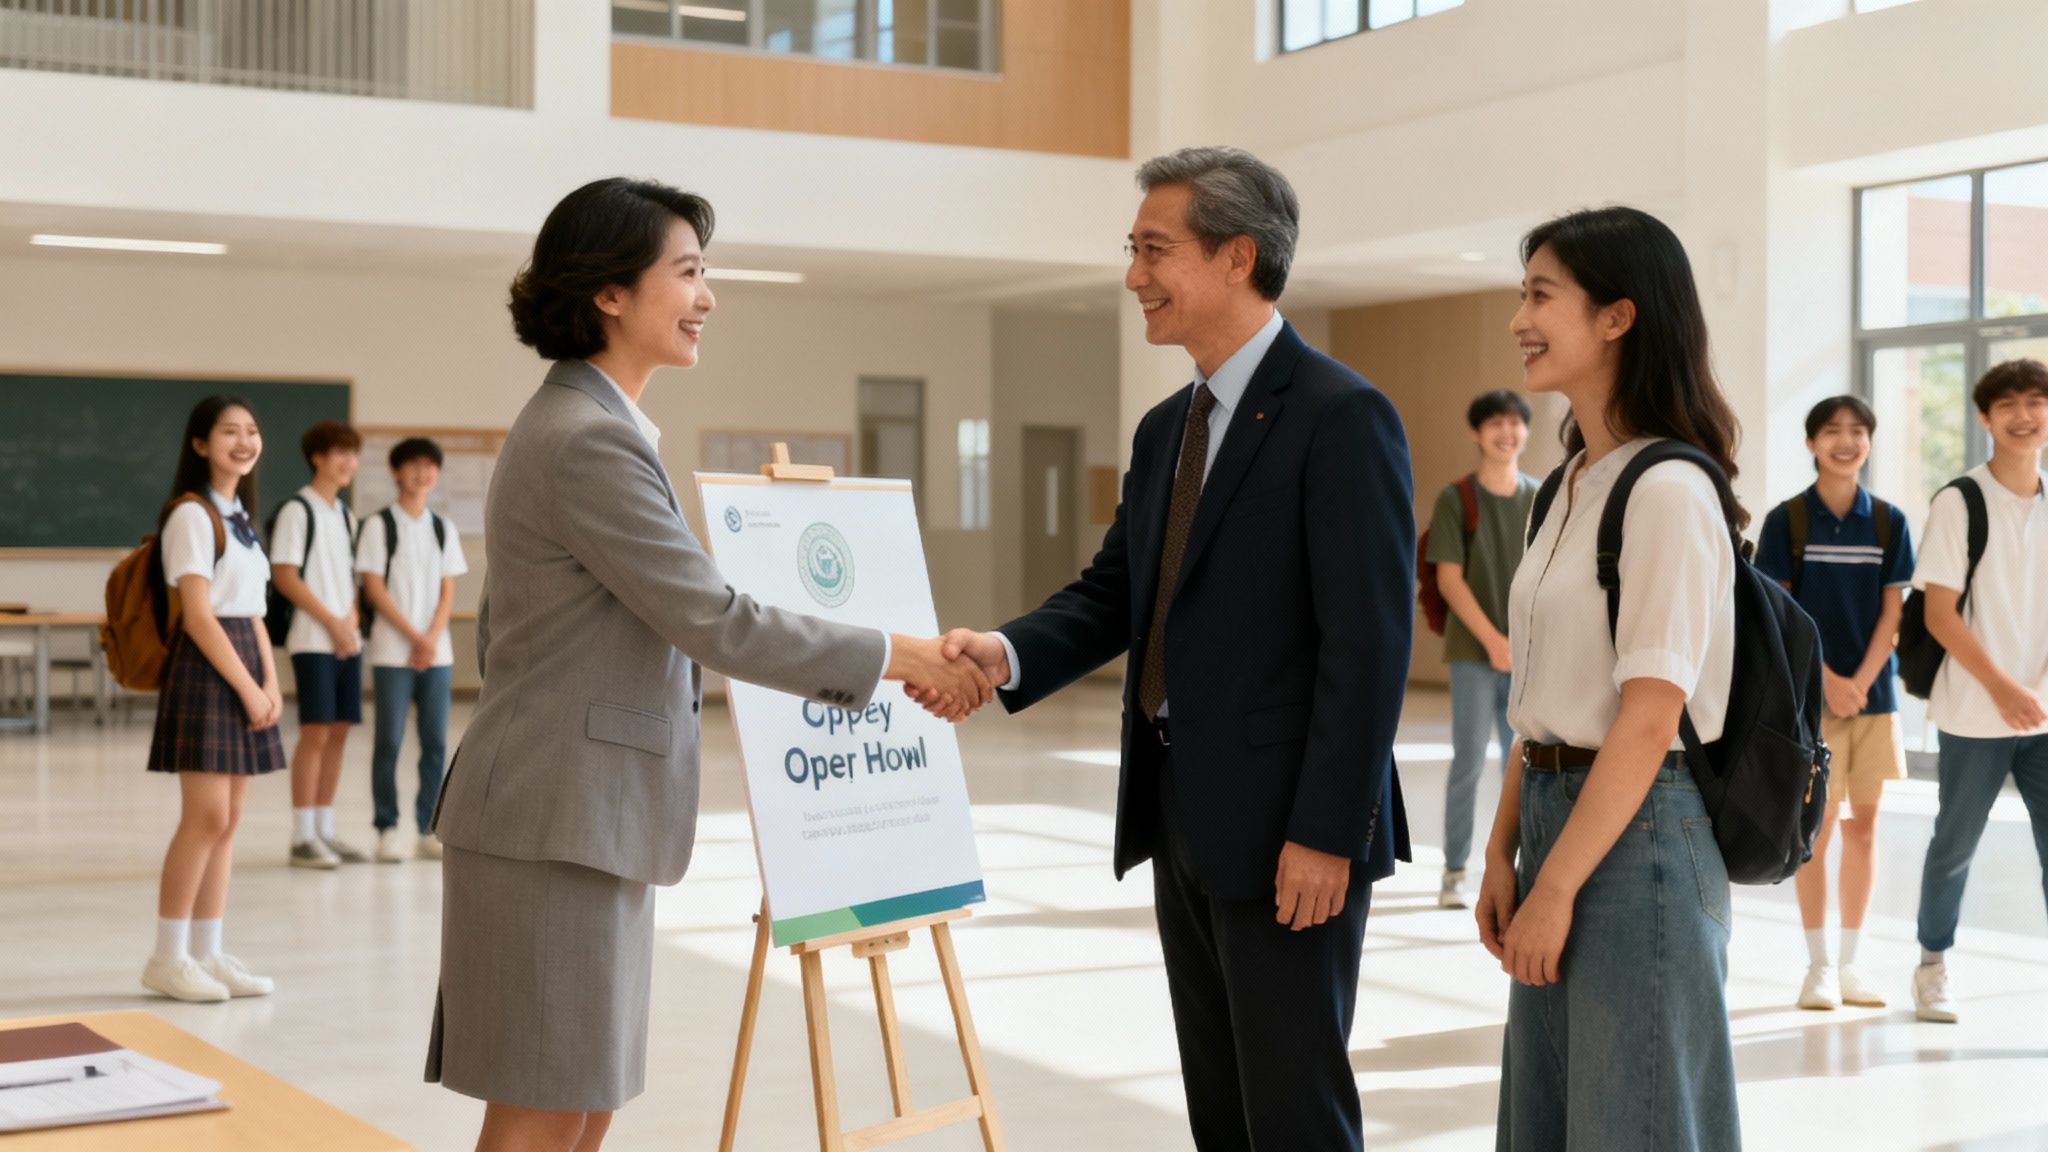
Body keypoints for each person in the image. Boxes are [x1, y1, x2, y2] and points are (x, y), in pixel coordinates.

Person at [424, 177, 991, 1152]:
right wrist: (905, 657)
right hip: (551, 816)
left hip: (584, 815)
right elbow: (714, 620)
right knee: (541, 1105)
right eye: (686, 272)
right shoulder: (584, 440)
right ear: (610, 291)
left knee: (580, 1097)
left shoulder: (595, 427)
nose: (706, 297)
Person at [932, 147, 1414, 1152]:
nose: (1131, 276)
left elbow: (1366, 644)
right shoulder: (1167, 430)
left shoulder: (1341, 415)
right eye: (1132, 249)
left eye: (1154, 250)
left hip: (1293, 833)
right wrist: (1002, 652)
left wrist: (1327, 831)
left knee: (1293, 1113)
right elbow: (1117, 595)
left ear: (1236, 257)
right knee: (1221, 1110)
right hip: (1183, 814)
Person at [1477, 206, 1742, 1149]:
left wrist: (1555, 888)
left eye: (1542, 295)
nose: (1520, 318)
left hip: (1641, 837)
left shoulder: (1670, 490)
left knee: (1638, 1121)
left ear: (1619, 317)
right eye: (1522, 295)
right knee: (1553, 1124)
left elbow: (1647, 716)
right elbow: (1538, 699)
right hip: (1560, 817)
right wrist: (1505, 851)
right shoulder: (1569, 483)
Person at [1753, 395, 1913, 1011]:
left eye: (1857, 431)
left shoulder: (1889, 523)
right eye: (1831, 431)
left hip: (1873, 702)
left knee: (1865, 831)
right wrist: (1828, 683)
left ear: (1870, 440)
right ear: (1811, 443)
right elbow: (1779, 616)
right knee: (1814, 832)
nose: (1845, 441)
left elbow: (1893, 612)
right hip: (1809, 705)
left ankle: (1851, 963)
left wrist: (1860, 681)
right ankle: (1817, 966)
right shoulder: (1787, 521)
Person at [1910, 356, 2048, 1024]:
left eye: (2036, 402)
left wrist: (2034, 692)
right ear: (1984, 417)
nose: (2025, 416)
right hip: (1974, 710)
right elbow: (1939, 614)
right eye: (2010, 405)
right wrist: (2003, 689)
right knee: (1956, 843)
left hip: (2044, 714)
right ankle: (1933, 964)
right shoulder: (1959, 501)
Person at [144, 396, 287, 1002]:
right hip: (209, 668)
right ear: (200, 444)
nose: (244, 441)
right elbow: (200, 618)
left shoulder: (241, 519)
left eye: (251, 431)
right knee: (204, 818)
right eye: (229, 432)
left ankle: (207, 950)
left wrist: (272, 681)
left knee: (227, 822)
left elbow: (253, 612)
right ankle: (167, 956)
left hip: (245, 662)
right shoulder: (192, 516)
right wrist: (250, 685)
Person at [1430, 389, 1537, 909]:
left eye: (1516, 422)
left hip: (1530, 656)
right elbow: (1448, 580)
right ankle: (1454, 869)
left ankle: (1521, 869)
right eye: (1495, 422)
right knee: (1469, 761)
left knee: (1525, 767)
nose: (1507, 432)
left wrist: (1521, 643)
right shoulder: (1457, 499)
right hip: (1474, 654)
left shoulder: (1540, 497)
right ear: (1477, 432)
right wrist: (1495, 641)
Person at [355, 436, 467, 863]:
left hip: (436, 655)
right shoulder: (378, 526)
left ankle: (428, 826)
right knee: (389, 740)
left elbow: (447, 590)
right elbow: (374, 588)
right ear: (396, 471)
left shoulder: (443, 527)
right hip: (391, 651)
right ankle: (386, 827)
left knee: (436, 742)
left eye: (429, 466)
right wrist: (414, 636)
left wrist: (430, 636)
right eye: (413, 465)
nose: (422, 473)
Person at [269, 420, 367, 868]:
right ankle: (301, 835)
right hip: (311, 638)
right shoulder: (298, 510)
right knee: (316, 730)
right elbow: (285, 576)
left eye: (353, 453)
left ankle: (326, 829)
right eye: (340, 454)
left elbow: (350, 578)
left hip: (345, 639)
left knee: (340, 731)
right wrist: (331, 622)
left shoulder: (345, 515)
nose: (349, 462)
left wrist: (349, 622)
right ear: (318, 458)